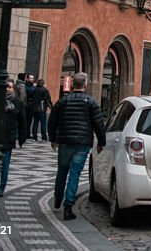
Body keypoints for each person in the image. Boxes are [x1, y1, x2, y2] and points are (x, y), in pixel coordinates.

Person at [48, 72, 106, 220]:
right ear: (85, 85)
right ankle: (68, 206)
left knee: (62, 171)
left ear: (73, 85)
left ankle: (57, 199)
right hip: (82, 142)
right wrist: (101, 142)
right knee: (74, 174)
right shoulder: (91, 102)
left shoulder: (63, 101)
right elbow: (98, 124)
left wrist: (53, 139)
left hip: (65, 141)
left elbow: (52, 121)